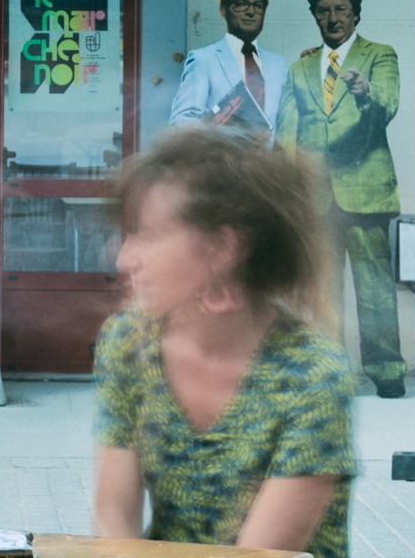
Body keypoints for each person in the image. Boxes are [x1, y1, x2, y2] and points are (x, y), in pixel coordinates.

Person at [93, 125, 354, 558]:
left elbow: (255, 555)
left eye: (148, 235)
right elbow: (112, 521)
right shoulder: (128, 343)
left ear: (223, 247)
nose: (124, 259)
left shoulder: (311, 377)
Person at [275, 0, 407, 398]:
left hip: (366, 191)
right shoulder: (299, 70)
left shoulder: (380, 55)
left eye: (341, 9)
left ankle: (387, 370)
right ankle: (331, 371)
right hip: (315, 198)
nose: (332, 18)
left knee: (375, 293)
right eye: (324, 11)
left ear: (356, 14)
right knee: (323, 290)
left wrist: (365, 93)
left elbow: (386, 105)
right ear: (315, 16)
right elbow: (287, 136)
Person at [169, 0, 287, 133]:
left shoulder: (279, 65)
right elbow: (180, 122)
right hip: (223, 157)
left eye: (258, 5)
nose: (251, 12)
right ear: (223, 10)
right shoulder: (203, 60)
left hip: (267, 159)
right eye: (241, 4)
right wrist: (228, 134)